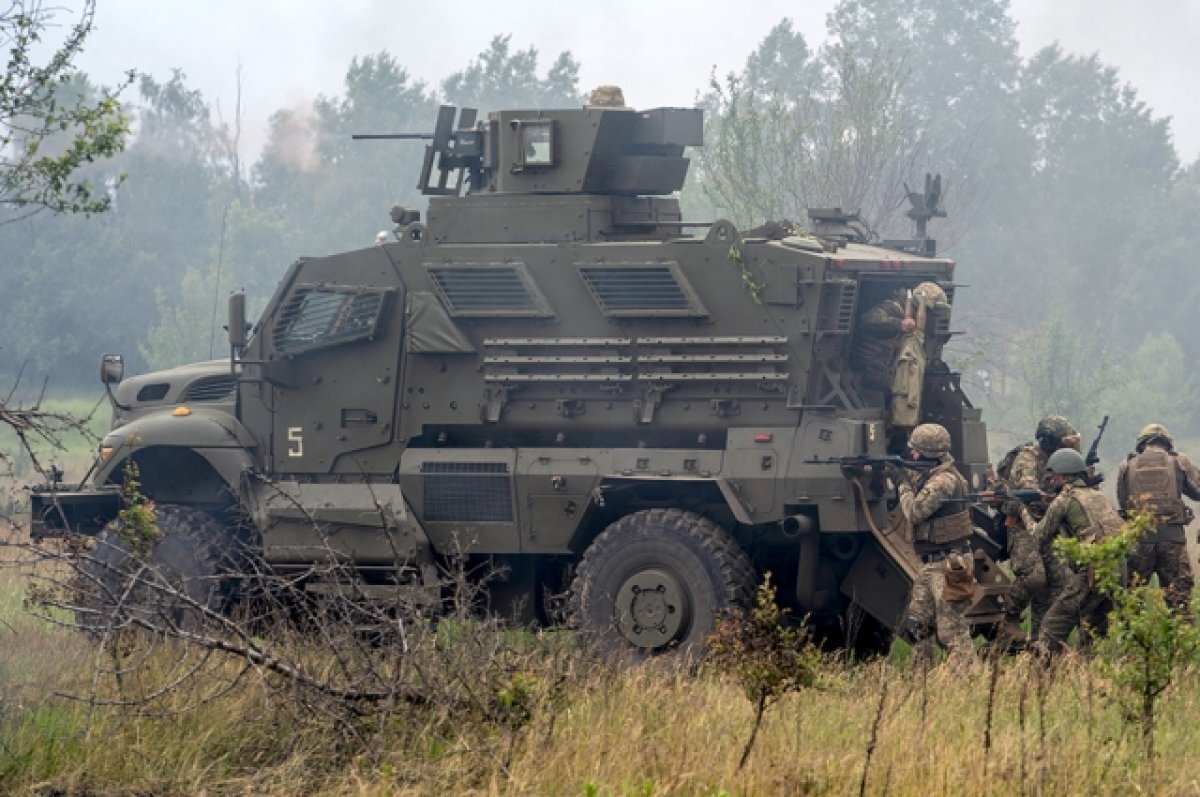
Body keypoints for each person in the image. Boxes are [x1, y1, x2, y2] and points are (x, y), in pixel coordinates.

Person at [1018, 448, 1122, 653]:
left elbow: (1038, 535)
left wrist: (1020, 511)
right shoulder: (1099, 496)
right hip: (1118, 569)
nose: (1051, 481)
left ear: (1064, 476)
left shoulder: (1065, 499)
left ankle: (1043, 678)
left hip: (1093, 571)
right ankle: (1089, 677)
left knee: (1052, 627)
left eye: (1053, 477)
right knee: (1093, 631)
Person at [892, 423, 976, 665]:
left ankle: (972, 683)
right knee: (917, 626)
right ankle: (923, 684)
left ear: (929, 454)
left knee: (952, 633)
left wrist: (901, 482)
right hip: (932, 565)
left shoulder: (944, 481)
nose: (912, 455)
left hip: (949, 565)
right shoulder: (936, 475)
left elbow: (915, 511)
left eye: (916, 451)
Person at [995, 416, 1082, 641]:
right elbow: (1030, 492)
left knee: (1058, 581)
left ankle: (1042, 642)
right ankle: (1009, 617)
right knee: (1034, 576)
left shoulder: (1058, 460)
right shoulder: (1028, 457)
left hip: (1047, 525)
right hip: (1022, 524)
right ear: (1051, 441)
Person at [1116, 423, 1200, 615]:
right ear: (1167, 444)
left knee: (1132, 603)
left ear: (1142, 444)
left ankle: (1134, 643)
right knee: (1179, 604)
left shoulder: (1126, 466)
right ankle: (1179, 644)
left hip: (1139, 541)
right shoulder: (1179, 462)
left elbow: (1123, 503)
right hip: (1172, 541)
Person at [849, 283, 951, 428]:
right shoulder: (895, 308)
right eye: (931, 314)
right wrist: (898, 324)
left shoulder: (921, 327)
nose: (932, 319)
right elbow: (868, 319)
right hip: (868, 373)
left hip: (891, 375)